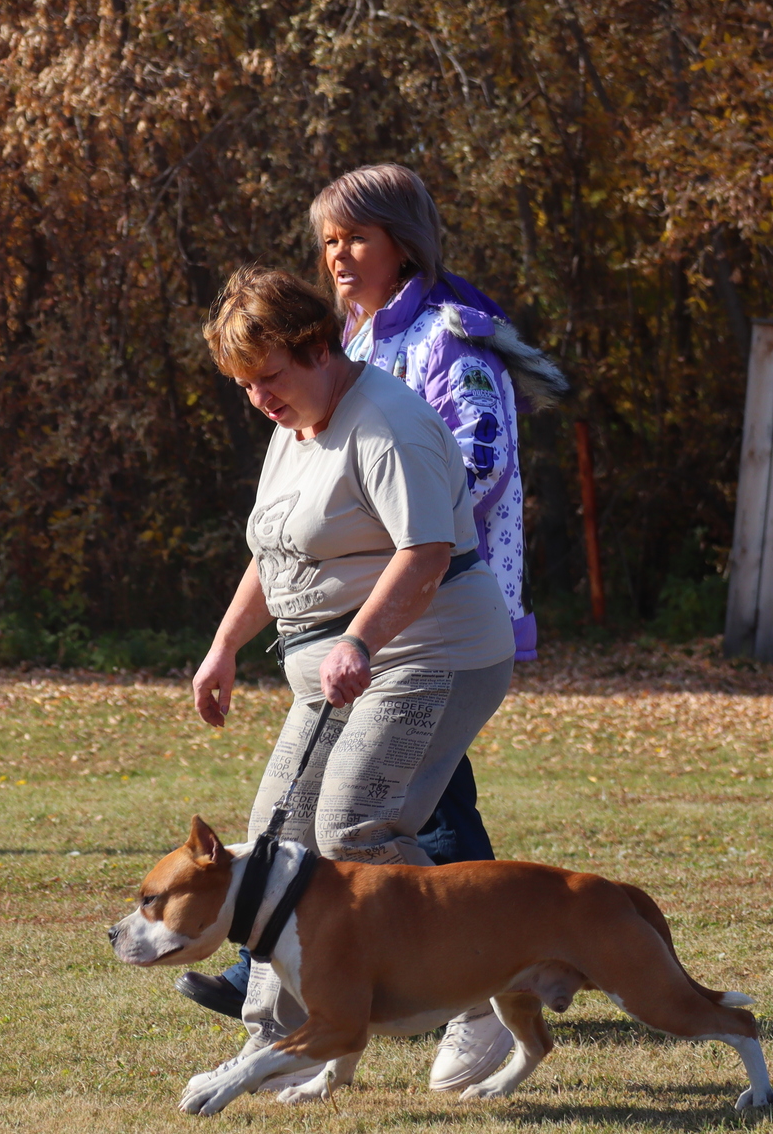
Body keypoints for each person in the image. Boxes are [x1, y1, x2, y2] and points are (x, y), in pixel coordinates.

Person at [179, 166, 566, 1089]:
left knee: (353, 823)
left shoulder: (386, 418)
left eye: (268, 377)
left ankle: (477, 988)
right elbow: (275, 551)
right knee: (276, 843)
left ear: (317, 348)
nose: (258, 398)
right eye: (244, 384)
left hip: (433, 652)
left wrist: (358, 639)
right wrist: (226, 644)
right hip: (338, 668)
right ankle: (280, 1035)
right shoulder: (294, 421)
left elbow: (425, 553)